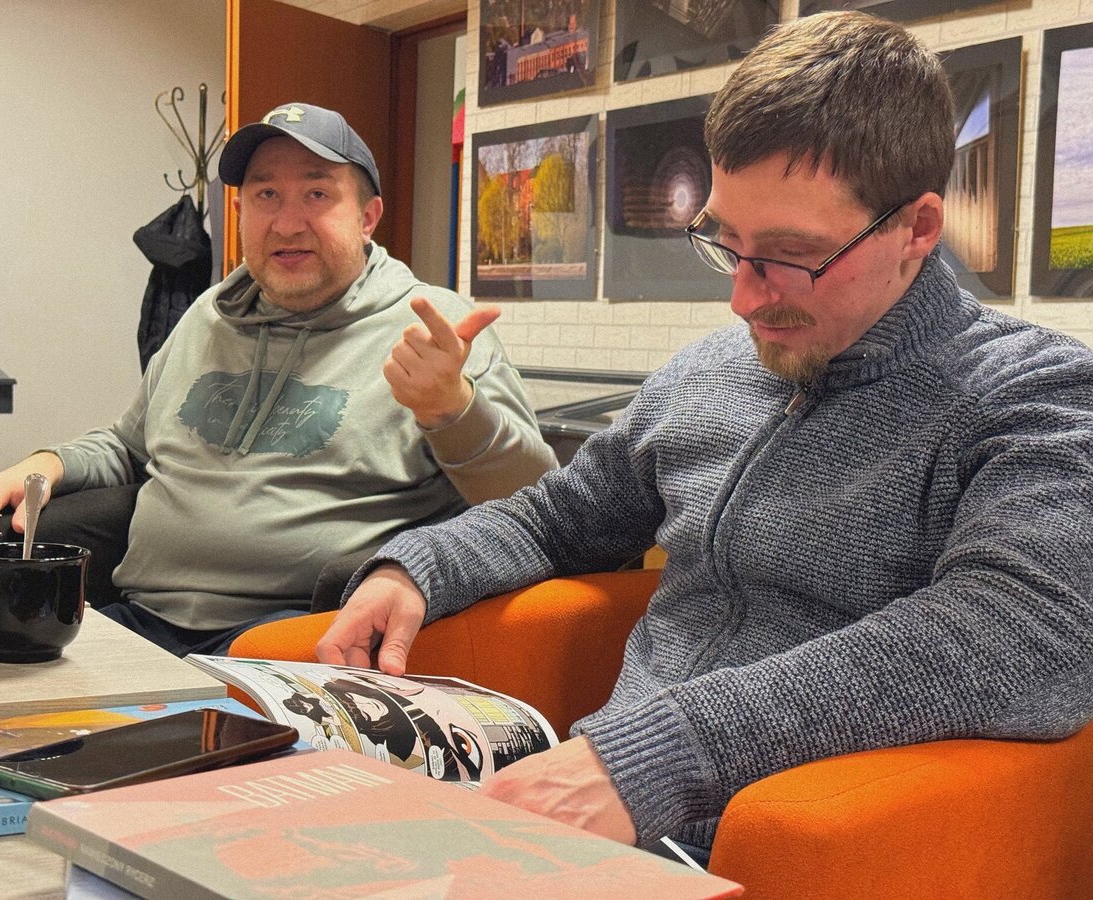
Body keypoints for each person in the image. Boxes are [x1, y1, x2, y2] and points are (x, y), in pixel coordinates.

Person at [318, 12, 1093, 862]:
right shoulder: (706, 371)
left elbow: (1023, 632)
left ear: (917, 228)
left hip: (771, 839)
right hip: (588, 810)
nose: (744, 300)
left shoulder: (1033, 392)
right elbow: (559, 519)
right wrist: (417, 568)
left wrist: (656, 758)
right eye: (728, 244)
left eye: (791, 255)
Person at [0, 101, 557, 657]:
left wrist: (451, 410)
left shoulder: (434, 331)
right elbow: (129, 448)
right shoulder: (206, 318)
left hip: (300, 636)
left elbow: (539, 506)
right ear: (240, 214)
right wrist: (49, 463)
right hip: (141, 619)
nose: (287, 222)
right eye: (266, 194)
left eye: (317, 193)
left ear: (367, 218)